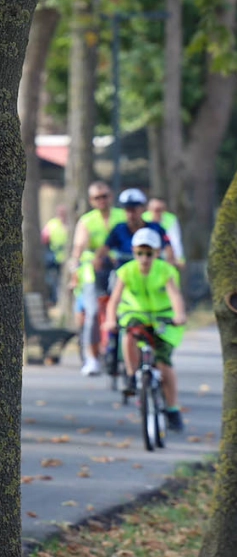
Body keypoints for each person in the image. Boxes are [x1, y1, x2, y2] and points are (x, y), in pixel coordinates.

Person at [102, 228, 187, 431]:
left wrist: (179, 315)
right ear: (133, 252)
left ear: (157, 253)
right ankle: (132, 376)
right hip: (136, 314)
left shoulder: (166, 270)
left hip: (163, 317)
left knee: (164, 363)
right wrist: (111, 320)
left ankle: (173, 409)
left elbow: (175, 296)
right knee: (129, 333)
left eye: (149, 253)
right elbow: (114, 300)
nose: (144, 258)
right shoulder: (126, 271)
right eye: (140, 253)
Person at [67, 182, 126, 376]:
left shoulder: (122, 216)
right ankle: (92, 358)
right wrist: (76, 264)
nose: (102, 200)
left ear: (111, 196)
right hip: (93, 270)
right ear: (91, 201)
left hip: (118, 268)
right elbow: (79, 247)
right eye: (97, 198)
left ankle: (123, 354)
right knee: (92, 314)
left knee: (123, 310)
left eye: (105, 196)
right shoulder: (87, 220)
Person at [145, 196, 184, 263]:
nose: (159, 213)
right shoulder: (143, 218)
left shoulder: (170, 219)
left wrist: (179, 258)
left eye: (162, 210)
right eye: (156, 210)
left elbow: (175, 241)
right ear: (149, 209)